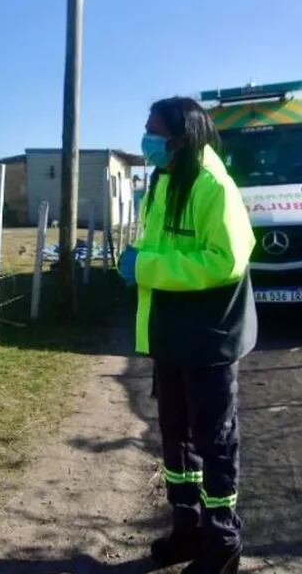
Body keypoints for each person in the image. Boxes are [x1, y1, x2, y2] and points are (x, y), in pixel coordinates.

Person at [118, 97, 256, 574]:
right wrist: (137, 255)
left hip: (209, 333)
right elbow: (161, 243)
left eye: (152, 129)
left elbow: (226, 261)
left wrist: (147, 266)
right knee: (178, 437)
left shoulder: (211, 184)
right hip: (171, 330)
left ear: (181, 136)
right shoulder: (163, 179)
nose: (146, 137)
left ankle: (223, 541)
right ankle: (188, 527)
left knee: (214, 440)